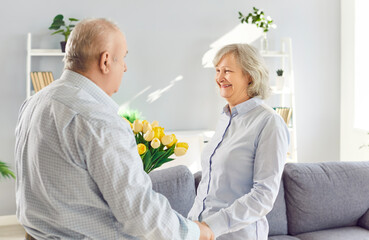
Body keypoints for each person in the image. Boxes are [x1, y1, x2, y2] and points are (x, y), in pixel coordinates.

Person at [15, 18, 213, 240]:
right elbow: (141, 216)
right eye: (124, 57)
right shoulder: (97, 120)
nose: (125, 67)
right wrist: (197, 232)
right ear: (106, 61)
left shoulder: (35, 102)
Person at [188, 43, 289, 240]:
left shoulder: (269, 122)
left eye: (227, 71)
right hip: (200, 232)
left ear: (249, 75)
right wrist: (192, 223)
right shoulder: (226, 117)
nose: (219, 78)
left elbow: (263, 197)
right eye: (217, 71)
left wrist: (211, 226)